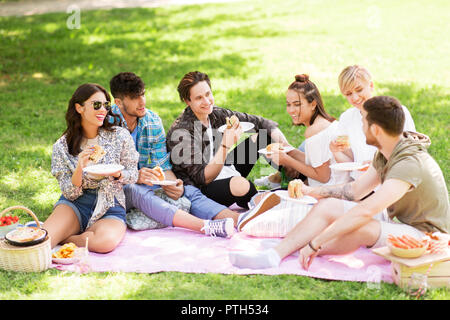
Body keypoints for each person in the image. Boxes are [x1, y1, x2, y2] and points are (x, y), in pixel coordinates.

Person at [229, 96, 449, 270]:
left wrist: (316, 242)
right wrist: (311, 192)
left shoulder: (409, 163)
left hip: (428, 237)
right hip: (402, 224)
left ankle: (302, 249)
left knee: (362, 227)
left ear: (376, 130)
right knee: (329, 205)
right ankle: (275, 254)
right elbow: (355, 190)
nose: (360, 128)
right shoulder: (387, 150)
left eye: (364, 122)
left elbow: (366, 210)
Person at [109, 72, 239, 238]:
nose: (142, 102)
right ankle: (205, 227)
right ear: (118, 102)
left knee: (187, 191)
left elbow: (162, 164)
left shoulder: (151, 120)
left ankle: (239, 220)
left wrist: (171, 184)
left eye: (143, 94)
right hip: (118, 190)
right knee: (135, 189)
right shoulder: (106, 124)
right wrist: (135, 176)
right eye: (135, 97)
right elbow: (105, 172)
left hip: (147, 184)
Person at [166, 71, 291, 209]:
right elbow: (203, 178)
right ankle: (270, 200)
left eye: (208, 94)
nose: (207, 102)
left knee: (262, 136)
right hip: (203, 189)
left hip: (224, 168)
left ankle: (291, 177)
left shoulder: (215, 115)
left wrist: (288, 153)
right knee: (241, 185)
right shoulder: (181, 132)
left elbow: (261, 123)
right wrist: (226, 144)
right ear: (187, 101)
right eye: (199, 98)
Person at [43, 83, 139, 253]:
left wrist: (118, 175)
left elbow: (133, 174)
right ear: (79, 108)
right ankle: (66, 231)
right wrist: (80, 168)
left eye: (105, 105)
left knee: (105, 243)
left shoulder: (120, 136)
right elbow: (69, 193)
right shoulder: (62, 146)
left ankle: (66, 237)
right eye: (96, 105)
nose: (103, 109)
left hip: (111, 203)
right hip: (76, 204)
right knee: (42, 242)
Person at [260, 74, 351, 188]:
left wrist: (287, 160)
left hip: (328, 192)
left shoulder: (313, 131)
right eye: (288, 104)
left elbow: (323, 177)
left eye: (297, 104)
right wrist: (290, 151)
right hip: (341, 186)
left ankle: (274, 181)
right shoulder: (327, 122)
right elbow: (317, 163)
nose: (291, 110)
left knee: (257, 200)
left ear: (313, 104)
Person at [331, 65, 416, 180]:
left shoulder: (396, 112)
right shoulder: (347, 118)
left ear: (371, 86)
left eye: (359, 90)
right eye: (348, 94)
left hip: (390, 180)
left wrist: (377, 163)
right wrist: (337, 152)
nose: (355, 97)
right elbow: (352, 162)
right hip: (361, 183)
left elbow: (409, 154)